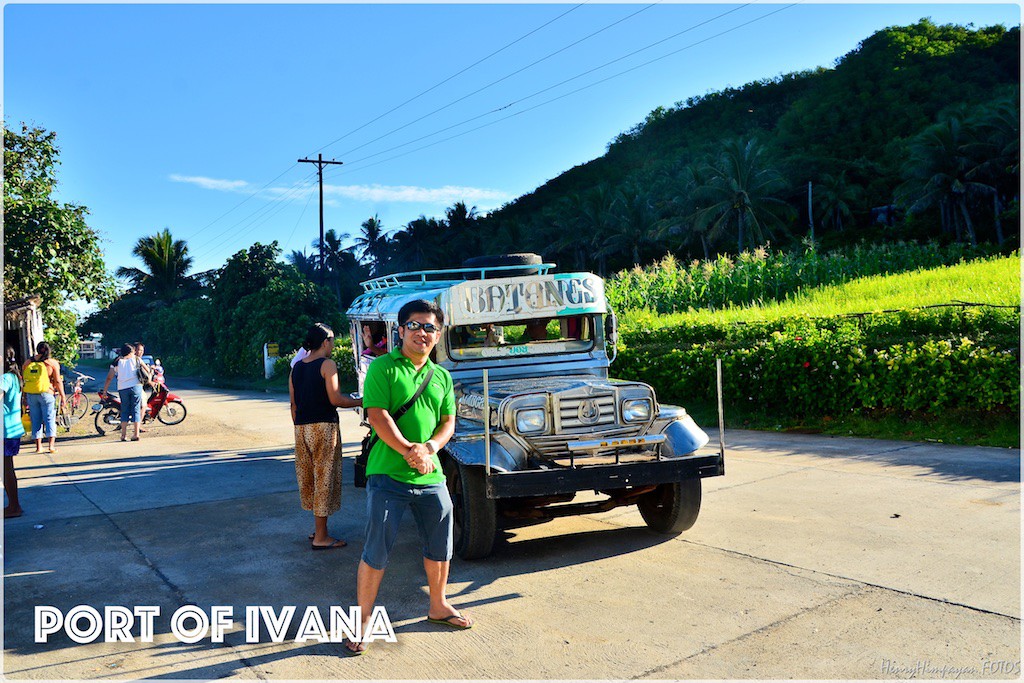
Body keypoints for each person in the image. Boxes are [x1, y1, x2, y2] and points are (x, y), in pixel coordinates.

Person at [345, 299, 470, 656]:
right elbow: (378, 416)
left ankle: (438, 605)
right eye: (415, 325)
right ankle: (364, 621)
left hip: (431, 476)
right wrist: (408, 452)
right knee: (377, 548)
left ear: (438, 334)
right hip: (388, 473)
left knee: (440, 545)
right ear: (400, 331)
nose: (422, 333)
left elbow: (448, 423)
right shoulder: (382, 368)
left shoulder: (442, 375)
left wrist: (428, 448)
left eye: (430, 327)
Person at [289, 323, 362, 550]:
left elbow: (293, 404)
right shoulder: (327, 365)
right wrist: (363, 401)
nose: (332, 344)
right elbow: (336, 400)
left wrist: (302, 427)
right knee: (324, 478)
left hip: (301, 428)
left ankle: (319, 531)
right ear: (325, 342)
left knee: (311, 478)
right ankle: (321, 538)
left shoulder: (297, 367)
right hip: (324, 428)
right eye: (331, 339)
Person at [22, 341, 64, 454]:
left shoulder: (28, 362)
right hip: (47, 393)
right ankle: (51, 446)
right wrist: (63, 396)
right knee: (49, 418)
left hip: (31, 394)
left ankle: (38, 447)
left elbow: (24, 379)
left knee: (35, 419)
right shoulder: (52, 363)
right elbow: (58, 381)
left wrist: (24, 395)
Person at [101, 343, 144, 442]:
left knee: (124, 410)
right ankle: (136, 434)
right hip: (136, 386)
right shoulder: (137, 359)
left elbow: (109, 378)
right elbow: (147, 371)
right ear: (131, 351)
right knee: (136, 409)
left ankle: (123, 435)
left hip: (123, 388)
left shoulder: (117, 362)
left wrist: (105, 390)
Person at [2, 356, 26, 518]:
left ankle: (14, 506)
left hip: (4, 430)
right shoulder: (14, 377)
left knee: (6, 469)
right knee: (7, 468)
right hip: (11, 429)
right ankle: (13, 505)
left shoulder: (4, 378)